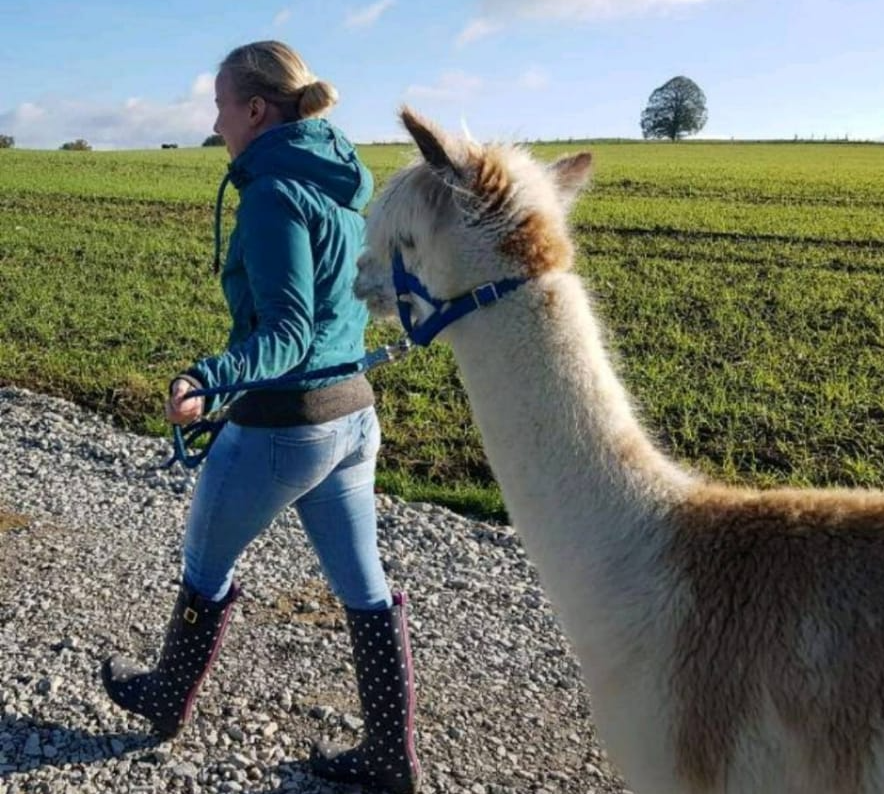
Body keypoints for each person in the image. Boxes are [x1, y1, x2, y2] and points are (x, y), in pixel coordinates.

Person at [101, 40, 421, 794]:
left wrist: (207, 380)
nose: (216, 124)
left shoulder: (274, 194)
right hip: (351, 418)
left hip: (283, 426)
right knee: (365, 590)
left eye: (220, 107)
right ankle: (390, 756)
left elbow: (285, 332)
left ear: (255, 109)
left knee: (205, 570)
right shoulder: (341, 186)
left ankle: (165, 697)